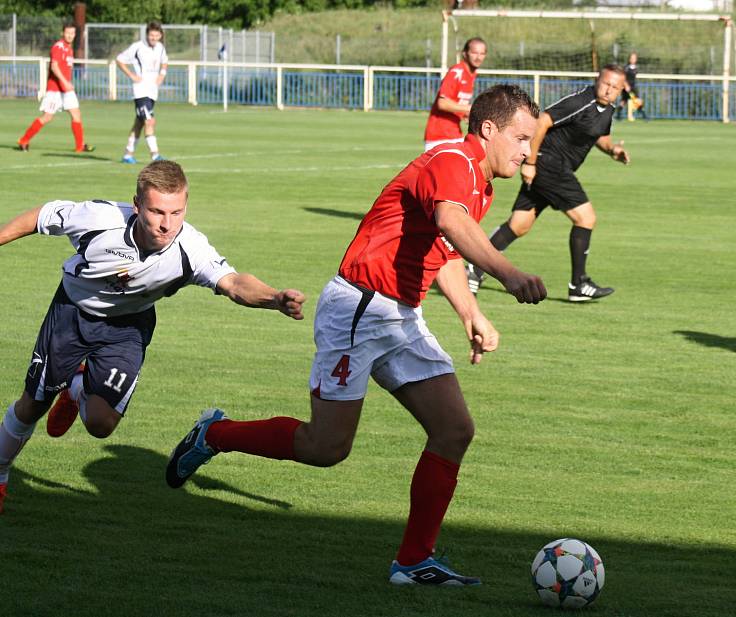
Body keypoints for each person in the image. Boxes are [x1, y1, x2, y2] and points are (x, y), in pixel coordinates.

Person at [166, 84, 547, 586]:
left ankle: (413, 562)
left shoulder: (481, 183)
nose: (526, 152)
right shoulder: (453, 159)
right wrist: (508, 272)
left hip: (401, 314)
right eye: (521, 138)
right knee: (326, 447)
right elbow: (449, 221)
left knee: (454, 430)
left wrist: (471, 313)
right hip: (359, 308)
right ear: (488, 129)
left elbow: (445, 252)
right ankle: (214, 433)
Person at [0, 160, 306, 515]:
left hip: (128, 328)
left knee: (101, 425)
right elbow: (43, 216)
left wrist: (274, 298)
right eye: (157, 211)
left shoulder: (190, 247)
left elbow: (234, 283)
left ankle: (77, 387)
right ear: (136, 205)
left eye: (176, 212)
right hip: (73, 314)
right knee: (33, 405)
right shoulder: (99, 219)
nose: (166, 224)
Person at [466, 65, 630, 302]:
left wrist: (613, 150)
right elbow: (543, 121)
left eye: (615, 87)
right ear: (597, 80)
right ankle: (579, 283)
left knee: (519, 224)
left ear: (621, 89)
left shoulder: (607, 110)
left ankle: (474, 269)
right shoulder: (580, 101)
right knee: (586, 218)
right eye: (605, 83)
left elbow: (600, 136)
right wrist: (530, 162)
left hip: (551, 168)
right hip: (548, 164)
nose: (608, 89)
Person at [16, 21, 94, 153]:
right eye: (67, 33)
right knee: (47, 117)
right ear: (62, 33)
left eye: (72, 33)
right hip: (55, 89)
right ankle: (23, 140)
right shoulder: (58, 47)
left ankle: (80, 146)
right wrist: (65, 81)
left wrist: (67, 83)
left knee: (76, 114)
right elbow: (54, 66)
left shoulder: (69, 49)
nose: (70, 35)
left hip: (66, 89)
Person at [116, 21, 169, 164]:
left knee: (139, 123)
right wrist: (131, 75)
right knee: (150, 121)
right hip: (141, 91)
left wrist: (162, 75)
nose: (154, 38)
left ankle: (128, 154)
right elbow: (120, 60)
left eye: (157, 35)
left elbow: (165, 62)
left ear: (160, 35)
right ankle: (155, 155)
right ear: (147, 34)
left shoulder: (160, 48)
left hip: (152, 92)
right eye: (151, 35)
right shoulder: (137, 47)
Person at [423, 37, 487, 152]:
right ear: (465, 54)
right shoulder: (457, 72)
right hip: (440, 136)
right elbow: (442, 103)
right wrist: (469, 108)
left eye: (482, 53)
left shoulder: (471, 75)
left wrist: (466, 114)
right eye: (474, 52)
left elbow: (456, 104)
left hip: (453, 134)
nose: (478, 57)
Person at [618, 52, 648, 121]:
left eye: (634, 58)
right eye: (631, 58)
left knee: (637, 100)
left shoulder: (636, 68)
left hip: (633, 87)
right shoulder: (626, 68)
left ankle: (644, 115)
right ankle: (618, 115)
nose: (633, 59)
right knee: (624, 101)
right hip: (627, 87)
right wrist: (626, 85)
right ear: (629, 59)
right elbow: (623, 77)